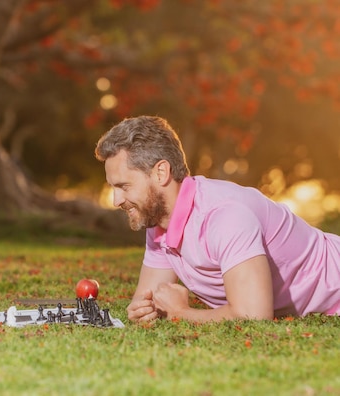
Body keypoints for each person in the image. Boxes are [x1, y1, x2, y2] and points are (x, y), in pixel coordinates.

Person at [95, 115, 340, 322]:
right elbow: (145, 300)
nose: (116, 200)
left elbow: (253, 316)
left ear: (161, 172)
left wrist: (181, 312)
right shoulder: (159, 222)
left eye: (124, 186)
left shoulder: (224, 216)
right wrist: (142, 311)